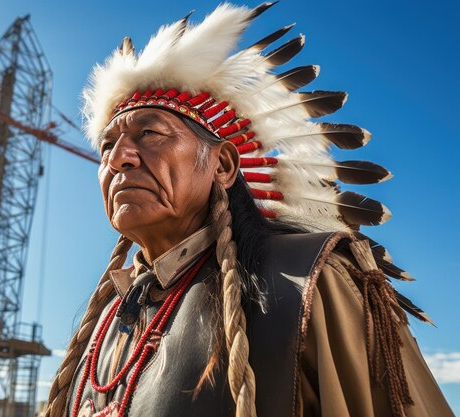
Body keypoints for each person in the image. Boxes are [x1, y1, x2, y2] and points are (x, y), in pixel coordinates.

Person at [45, 3, 454, 417]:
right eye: (107, 147)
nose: (120, 158)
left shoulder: (306, 280)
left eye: (149, 132)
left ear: (223, 165)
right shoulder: (107, 320)